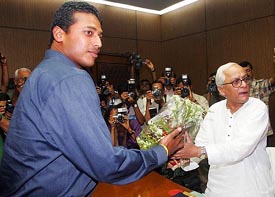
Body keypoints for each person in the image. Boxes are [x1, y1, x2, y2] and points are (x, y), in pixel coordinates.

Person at [0, 2, 185, 196]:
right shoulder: (70, 77)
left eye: (100, 35)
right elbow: (107, 163)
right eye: (89, 33)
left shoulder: (43, 73)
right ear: (59, 34)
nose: (99, 43)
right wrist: (161, 151)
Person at [176, 62, 274, 197]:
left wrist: (197, 151)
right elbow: (201, 144)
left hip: (252, 189)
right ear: (221, 90)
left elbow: (240, 148)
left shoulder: (257, 108)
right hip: (217, 189)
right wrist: (185, 158)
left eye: (245, 79)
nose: (244, 84)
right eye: (236, 82)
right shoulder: (214, 111)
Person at [239, 60, 275, 137]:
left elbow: (273, 81)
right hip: (244, 132)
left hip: (263, 132)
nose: (246, 73)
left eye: (248, 70)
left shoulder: (261, 85)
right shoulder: (236, 89)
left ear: (252, 71)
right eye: (243, 71)